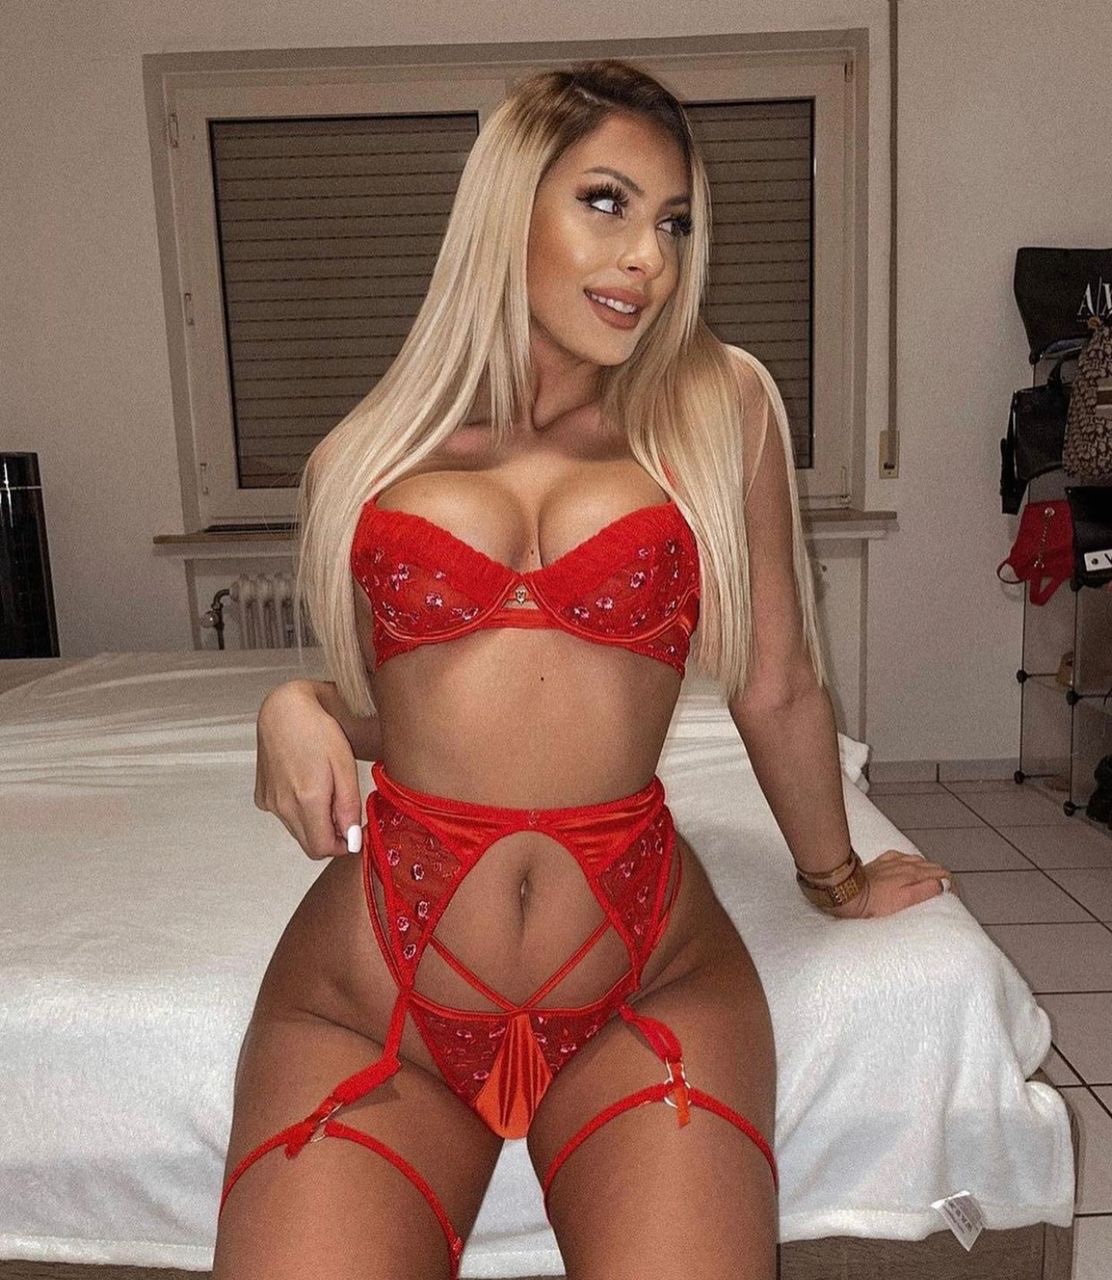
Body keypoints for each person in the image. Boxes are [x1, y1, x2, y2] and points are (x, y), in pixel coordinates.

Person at [211, 58, 952, 1280]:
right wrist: (295, 702)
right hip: (377, 995)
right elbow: (422, 713)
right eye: (606, 202)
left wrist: (834, 877)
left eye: (672, 222)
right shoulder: (368, 451)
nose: (646, 257)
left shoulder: (716, 408)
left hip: (640, 977)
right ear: (510, 204)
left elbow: (774, 682)